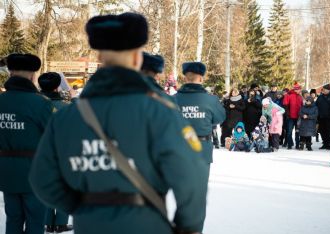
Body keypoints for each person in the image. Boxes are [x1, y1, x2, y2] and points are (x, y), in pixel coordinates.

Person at [29, 13, 207, 234]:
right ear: (136, 58)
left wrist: (84, 207)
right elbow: (190, 176)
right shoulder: (161, 112)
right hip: (146, 225)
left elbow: (42, 180)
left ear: (101, 57)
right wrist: (189, 228)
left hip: (89, 226)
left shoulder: (66, 117)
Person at [0, 53, 54, 234]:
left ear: (10, 73)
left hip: (6, 171)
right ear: (32, 76)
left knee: (13, 219)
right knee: (35, 221)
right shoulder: (40, 104)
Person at [38, 72, 73, 233]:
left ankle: (47, 222)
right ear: (58, 86)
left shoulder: (35, 105)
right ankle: (60, 222)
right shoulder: (67, 106)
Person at [175, 61, 225, 168]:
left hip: (178, 147)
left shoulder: (172, 99)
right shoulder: (211, 100)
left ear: (185, 78)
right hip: (202, 148)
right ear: (201, 79)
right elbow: (220, 118)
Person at [316, 84, 330, 150]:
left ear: (328, 90)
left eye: (325, 89)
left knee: (329, 131)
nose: (324, 90)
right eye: (323, 89)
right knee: (322, 130)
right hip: (321, 117)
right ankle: (325, 143)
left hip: (329, 117)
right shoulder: (320, 97)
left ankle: (328, 144)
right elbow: (316, 105)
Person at [283, 82, 303, 149]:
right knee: (289, 131)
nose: (299, 90)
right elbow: (285, 105)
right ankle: (289, 145)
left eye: (299, 89)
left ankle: (297, 145)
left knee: (297, 132)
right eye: (297, 89)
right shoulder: (288, 95)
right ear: (295, 89)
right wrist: (287, 114)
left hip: (298, 117)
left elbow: (302, 106)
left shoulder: (300, 96)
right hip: (290, 117)